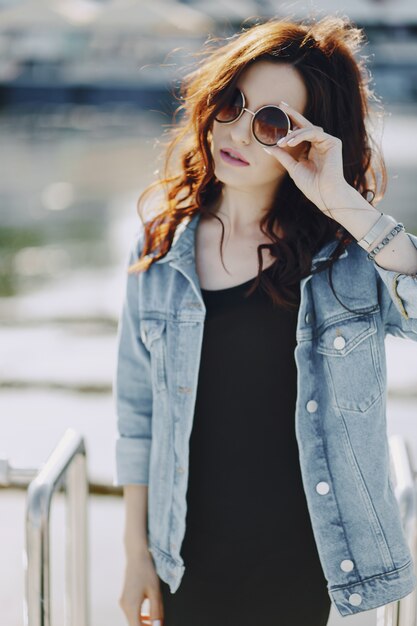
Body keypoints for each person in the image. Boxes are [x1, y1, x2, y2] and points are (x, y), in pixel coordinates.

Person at [113, 13, 417, 626]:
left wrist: (344, 204)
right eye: (232, 102)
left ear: (312, 137)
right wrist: (134, 553)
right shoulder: (161, 244)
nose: (239, 134)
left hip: (305, 559)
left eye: (272, 124)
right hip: (185, 557)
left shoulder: (348, 257)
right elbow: (138, 414)